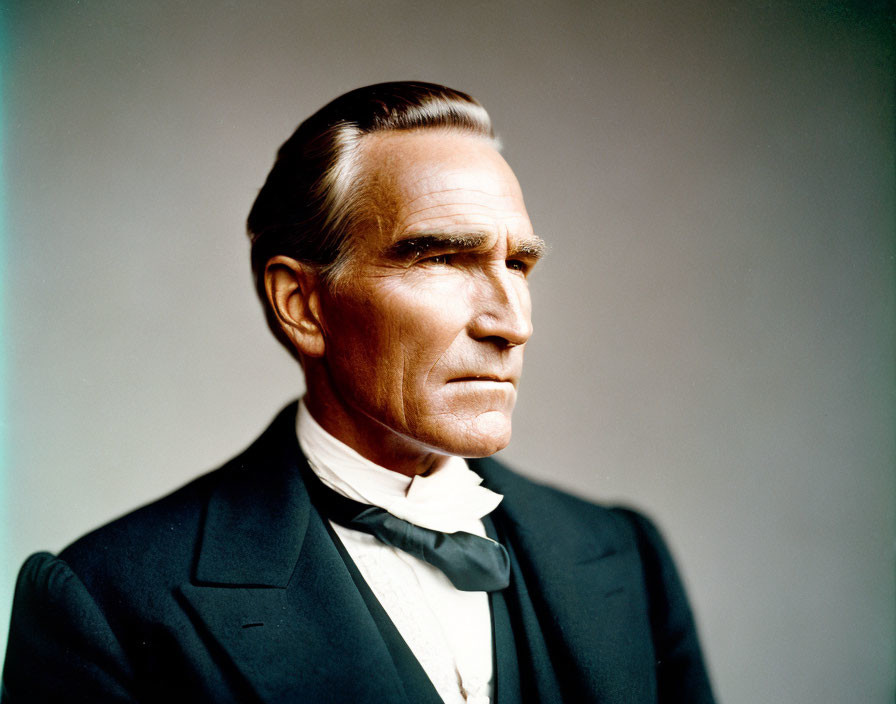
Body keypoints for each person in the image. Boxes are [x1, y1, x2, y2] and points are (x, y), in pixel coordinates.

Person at [2, 82, 715, 703]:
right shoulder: (106, 604)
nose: (514, 323)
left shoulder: (624, 552)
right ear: (303, 305)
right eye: (440, 257)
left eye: (519, 264)